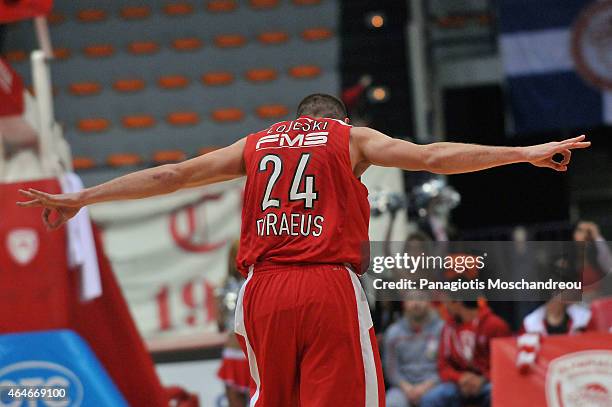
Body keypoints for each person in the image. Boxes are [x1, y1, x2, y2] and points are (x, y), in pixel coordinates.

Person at [17, 93, 590, 406]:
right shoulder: (351, 139)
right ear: (336, 122)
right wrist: (524, 154)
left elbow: (171, 176)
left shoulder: (257, 143)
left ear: (295, 121)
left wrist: (83, 198)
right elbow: (435, 157)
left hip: (261, 291)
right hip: (323, 283)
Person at [423, 300, 511, 407]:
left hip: (488, 381)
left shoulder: (494, 325)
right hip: (459, 383)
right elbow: (443, 365)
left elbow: (505, 365)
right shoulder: (448, 327)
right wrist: (460, 378)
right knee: (431, 399)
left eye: (447, 302)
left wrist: (483, 379)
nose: (445, 307)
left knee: (497, 393)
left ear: (458, 303)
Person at [384, 291, 443, 407]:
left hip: (434, 385)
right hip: (402, 388)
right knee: (392, 403)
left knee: (435, 399)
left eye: (421, 298)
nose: (416, 303)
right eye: (411, 299)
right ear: (404, 303)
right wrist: (407, 388)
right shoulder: (393, 333)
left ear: (430, 302)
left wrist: (425, 387)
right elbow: (391, 369)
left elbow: (446, 365)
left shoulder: (442, 329)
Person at [217, 240, 252, 406]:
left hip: (244, 352)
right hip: (244, 352)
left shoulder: (223, 286)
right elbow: (220, 324)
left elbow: (220, 324)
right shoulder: (254, 281)